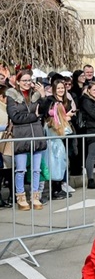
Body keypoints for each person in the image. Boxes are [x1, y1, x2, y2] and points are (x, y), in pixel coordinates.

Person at [6, 69, 47, 210]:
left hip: (36, 133)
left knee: (36, 169)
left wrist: (43, 97)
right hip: (21, 135)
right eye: (24, 80)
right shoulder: (12, 95)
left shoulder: (35, 95)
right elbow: (15, 117)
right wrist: (34, 117)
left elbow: (45, 112)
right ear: (17, 81)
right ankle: (20, 197)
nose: (27, 83)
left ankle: (35, 197)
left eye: (29, 80)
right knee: (21, 169)